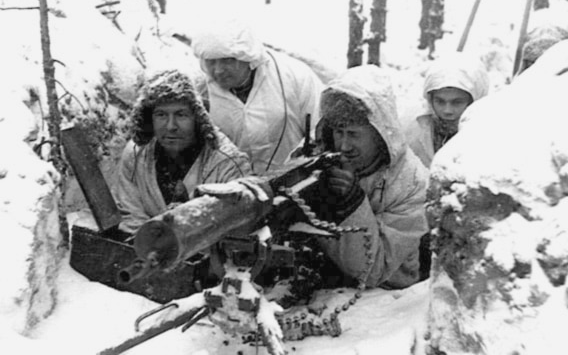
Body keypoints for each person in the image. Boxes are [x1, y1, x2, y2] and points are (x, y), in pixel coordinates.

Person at [308, 65, 429, 289]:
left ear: (379, 133)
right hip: (320, 284)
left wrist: (352, 203)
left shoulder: (412, 182)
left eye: (354, 134)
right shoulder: (316, 158)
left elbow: (375, 271)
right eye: (338, 132)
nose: (344, 146)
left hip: (388, 296)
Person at [114, 70, 252, 233]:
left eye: (181, 115)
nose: (171, 126)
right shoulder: (136, 153)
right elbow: (129, 214)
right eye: (161, 115)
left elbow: (239, 224)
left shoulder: (227, 163)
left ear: (198, 118)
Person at [191, 18, 323, 174]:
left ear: (247, 57)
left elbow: (321, 126)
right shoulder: (199, 90)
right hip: (232, 189)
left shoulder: (294, 75)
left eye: (227, 61)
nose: (218, 70)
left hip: (294, 181)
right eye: (211, 62)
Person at [404, 52, 490, 168]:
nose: (447, 111)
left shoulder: (489, 135)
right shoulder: (411, 129)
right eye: (440, 101)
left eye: (457, 102)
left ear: (474, 101)